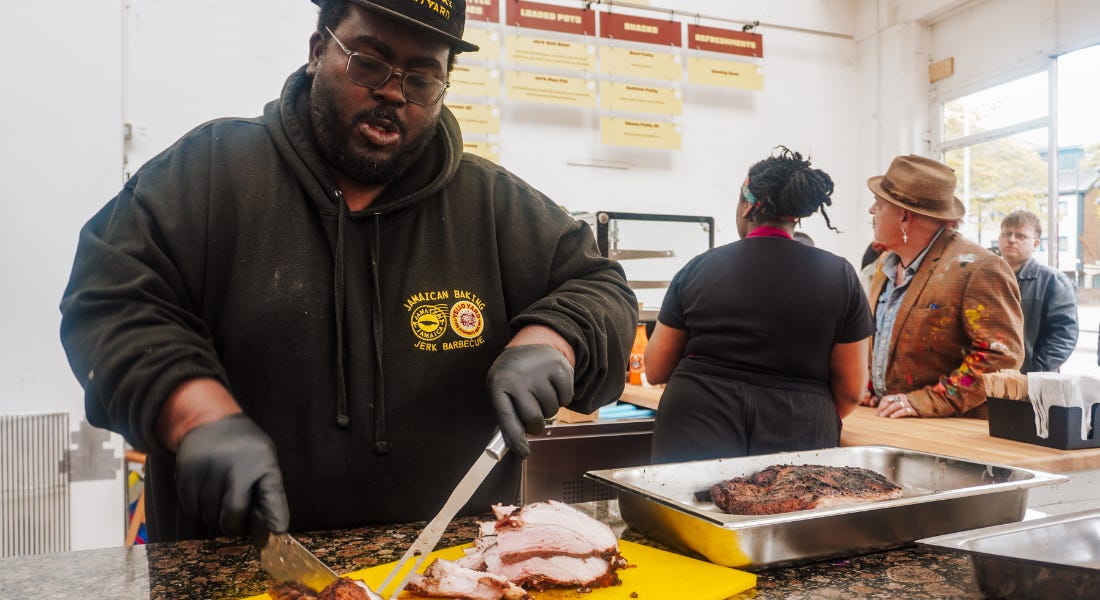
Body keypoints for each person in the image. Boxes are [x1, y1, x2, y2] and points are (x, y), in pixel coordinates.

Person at [59, 0, 636, 543]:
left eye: (422, 77)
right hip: (237, 570)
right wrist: (193, 411)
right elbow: (111, 299)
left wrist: (556, 337)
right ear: (317, 51)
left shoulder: (493, 205)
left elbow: (599, 287)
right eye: (369, 61)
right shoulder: (208, 176)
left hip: (451, 575)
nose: (392, 92)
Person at [645, 147, 874, 464]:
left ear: (748, 205)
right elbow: (851, 390)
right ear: (797, 213)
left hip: (697, 421)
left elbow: (656, 368)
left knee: (690, 512)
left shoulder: (699, 268)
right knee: (785, 513)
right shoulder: (840, 275)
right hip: (799, 429)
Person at [862, 155, 1024, 418]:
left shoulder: (979, 268)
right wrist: (874, 386)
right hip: (893, 424)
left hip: (952, 431)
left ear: (905, 216)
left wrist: (927, 401)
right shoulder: (886, 266)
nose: (871, 210)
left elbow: (999, 357)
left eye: (879, 204)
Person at [997, 209, 1078, 373]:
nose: (1012, 240)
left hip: (1032, 385)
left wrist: (1035, 371)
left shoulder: (1053, 281)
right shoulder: (985, 277)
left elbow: (1064, 334)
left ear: (1035, 244)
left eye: (1020, 236)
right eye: (1007, 234)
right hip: (989, 381)